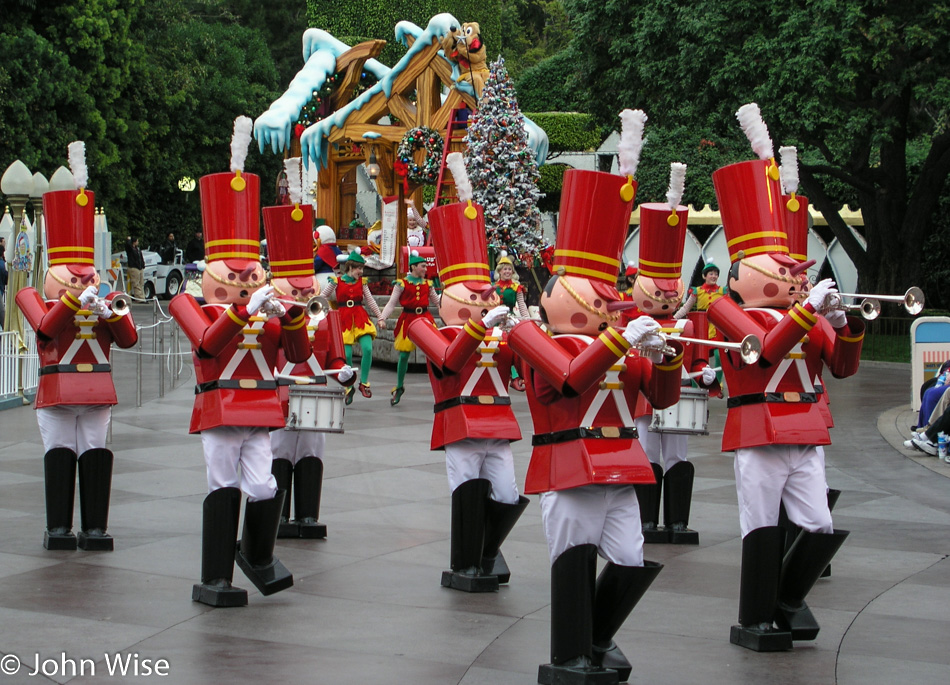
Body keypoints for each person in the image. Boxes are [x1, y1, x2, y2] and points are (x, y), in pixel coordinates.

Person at [509, 162, 678, 683]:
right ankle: (570, 654)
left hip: (621, 465)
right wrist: (620, 341)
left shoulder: (619, 344)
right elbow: (568, 380)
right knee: (573, 561)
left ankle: (597, 638)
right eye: (601, 294)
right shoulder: (533, 337)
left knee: (630, 561)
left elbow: (663, 397)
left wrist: (665, 355)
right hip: (566, 462)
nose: (612, 302)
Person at [706, 111, 863, 652]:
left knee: (818, 528)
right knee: (761, 530)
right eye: (784, 266)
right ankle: (757, 617)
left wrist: (846, 326)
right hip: (757, 429)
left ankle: (786, 602)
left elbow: (841, 368)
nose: (797, 274)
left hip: (805, 431)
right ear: (749, 268)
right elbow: (765, 353)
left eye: (796, 267)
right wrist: (807, 314)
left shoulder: (808, 314)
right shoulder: (728, 311)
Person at [169, 139, 310, 608]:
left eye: (252, 274)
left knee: (266, 485)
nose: (247, 281)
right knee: (222, 485)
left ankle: (256, 554)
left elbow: (296, 352)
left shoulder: (262, 310)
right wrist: (243, 311)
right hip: (219, 407)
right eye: (237, 275)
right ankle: (215, 577)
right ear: (213, 272)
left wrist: (290, 316)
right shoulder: (190, 304)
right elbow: (208, 343)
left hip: (260, 410)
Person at [16, 157, 138, 551]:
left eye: (88, 276)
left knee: (96, 452)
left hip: (96, 390)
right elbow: (46, 329)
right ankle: (58, 528)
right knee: (59, 453)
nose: (84, 281)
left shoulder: (102, 299)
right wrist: (73, 300)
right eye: (74, 276)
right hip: (57, 390)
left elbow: (128, 339)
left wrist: (107, 312)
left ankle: (95, 527)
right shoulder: (33, 296)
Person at [407, 193, 527, 593]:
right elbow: (451, 361)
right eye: (473, 297)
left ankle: (487, 549)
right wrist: (481, 327)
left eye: (485, 294)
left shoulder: (496, 329)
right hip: (459, 420)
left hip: (498, 422)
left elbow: (521, 370)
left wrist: (527, 333)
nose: (483, 301)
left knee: (509, 495)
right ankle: (466, 563)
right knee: (467, 491)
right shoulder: (426, 327)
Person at [628, 186, 719, 546]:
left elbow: (697, 357)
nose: (666, 297)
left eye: (670, 291)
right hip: (645, 401)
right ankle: (646, 520)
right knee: (648, 454)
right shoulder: (634, 324)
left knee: (678, 457)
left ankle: (678, 520)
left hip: (680, 397)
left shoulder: (687, 324)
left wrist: (706, 374)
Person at [262, 196, 355, 538]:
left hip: (315, 391)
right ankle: (280, 515)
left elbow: (336, 354)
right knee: (280, 451)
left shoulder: (326, 315)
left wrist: (343, 369)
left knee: (313, 450)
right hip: (282, 392)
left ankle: (307, 516)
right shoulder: (271, 317)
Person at [378, 251, 439, 405]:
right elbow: (392, 303)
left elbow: (438, 302)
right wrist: (382, 318)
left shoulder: (428, 284)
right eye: (423, 266)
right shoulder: (402, 284)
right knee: (404, 355)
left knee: (435, 355)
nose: (425, 269)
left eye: (426, 266)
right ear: (413, 267)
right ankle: (399, 386)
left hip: (425, 319)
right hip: (409, 319)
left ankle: (440, 388)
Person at [321, 251, 382, 404]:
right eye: (358, 269)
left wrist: (380, 316)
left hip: (360, 316)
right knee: (346, 355)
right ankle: (349, 386)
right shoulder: (336, 281)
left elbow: (370, 300)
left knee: (367, 348)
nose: (360, 272)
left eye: (362, 269)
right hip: (343, 318)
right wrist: (322, 310)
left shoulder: (362, 282)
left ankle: (364, 383)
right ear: (350, 267)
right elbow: (322, 297)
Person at [492, 251, 528, 392]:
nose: (507, 271)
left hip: (509, 319)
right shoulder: (493, 287)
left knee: (512, 348)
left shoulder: (516, 287)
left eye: (509, 269)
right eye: (504, 269)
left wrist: (525, 319)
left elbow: (522, 304)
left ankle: (514, 376)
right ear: (499, 272)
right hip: (496, 320)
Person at [125, 236, 146, 300]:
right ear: (134, 242)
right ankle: (139, 297)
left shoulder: (138, 249)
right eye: (137, 241)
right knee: (136, 283)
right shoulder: (130, 249)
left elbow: (141, 257)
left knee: (141, 283)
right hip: (134, 267)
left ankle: (143, 296)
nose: (138, 242)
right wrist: (128, 240)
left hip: (139, 267)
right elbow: (127, 245)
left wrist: (142, 264)